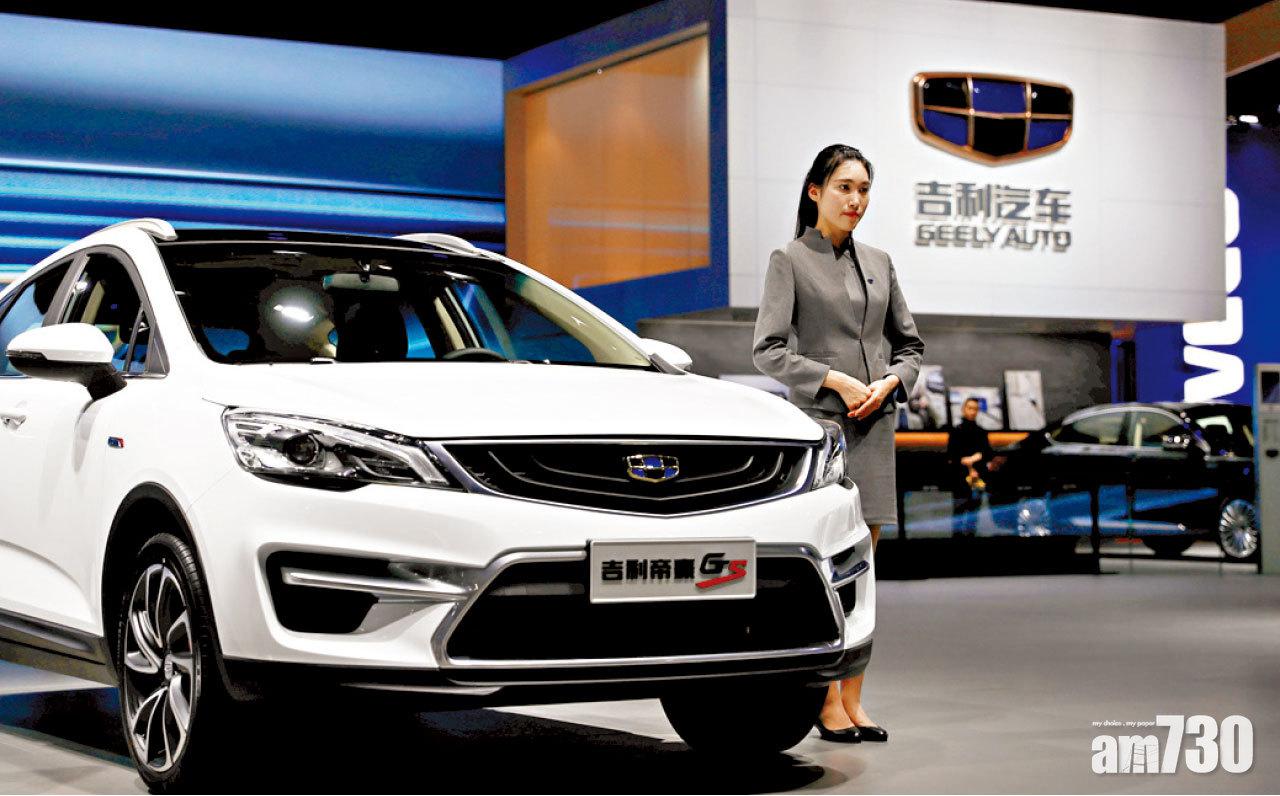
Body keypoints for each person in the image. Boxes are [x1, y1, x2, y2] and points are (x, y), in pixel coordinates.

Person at [752, 144, 924, 744]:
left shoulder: (879, 261)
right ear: (816, 191)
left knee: (865, 569)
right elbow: (768, 350)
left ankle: (854, 699)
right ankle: (824, 701)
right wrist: (835, 379)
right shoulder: (790, 258)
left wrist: (891, 382)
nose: (856, 200)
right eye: (844, 187)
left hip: (875, 428)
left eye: (864, 189)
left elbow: (911, 347)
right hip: (825, 431)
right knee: (832, 566)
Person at [947, 397, 994, 535]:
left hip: (977, 478)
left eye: (975, 409)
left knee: (974, 515)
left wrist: (975, 459)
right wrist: (966, 460)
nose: (972, 412)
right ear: (963, 409)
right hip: (960, 479)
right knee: (959, 513)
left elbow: (988, 453)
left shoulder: (981, 432)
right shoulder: (956, 432)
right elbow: (952, 455)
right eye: (970, 408)